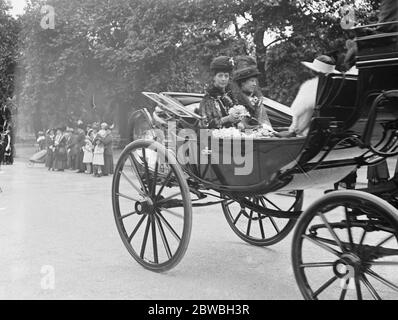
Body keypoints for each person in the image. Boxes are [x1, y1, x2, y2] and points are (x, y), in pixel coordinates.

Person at [278, 55, 339, 137]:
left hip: (307, 125)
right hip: (330, 116)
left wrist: (293, 129)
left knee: (305, 108)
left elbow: (298, 110)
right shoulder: (336, 84)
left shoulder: (311, 86)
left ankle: (294, 132)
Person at [199, 56, 241, 129]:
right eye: (220, 76)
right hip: (215, 139)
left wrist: (240, 121)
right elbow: (204, 125)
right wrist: (227, 119)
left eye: (226, 76)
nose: (223, 79)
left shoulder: (230, 97)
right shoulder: (207, 100)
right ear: (214, 77)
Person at [231, 56, 273, 130]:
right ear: (242, 82)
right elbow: (241, 127)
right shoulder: (233, 99)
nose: (255, 84)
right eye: (252, 81)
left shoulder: (256, 98)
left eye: (255, 81)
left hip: (255, 135)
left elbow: (262, 121)